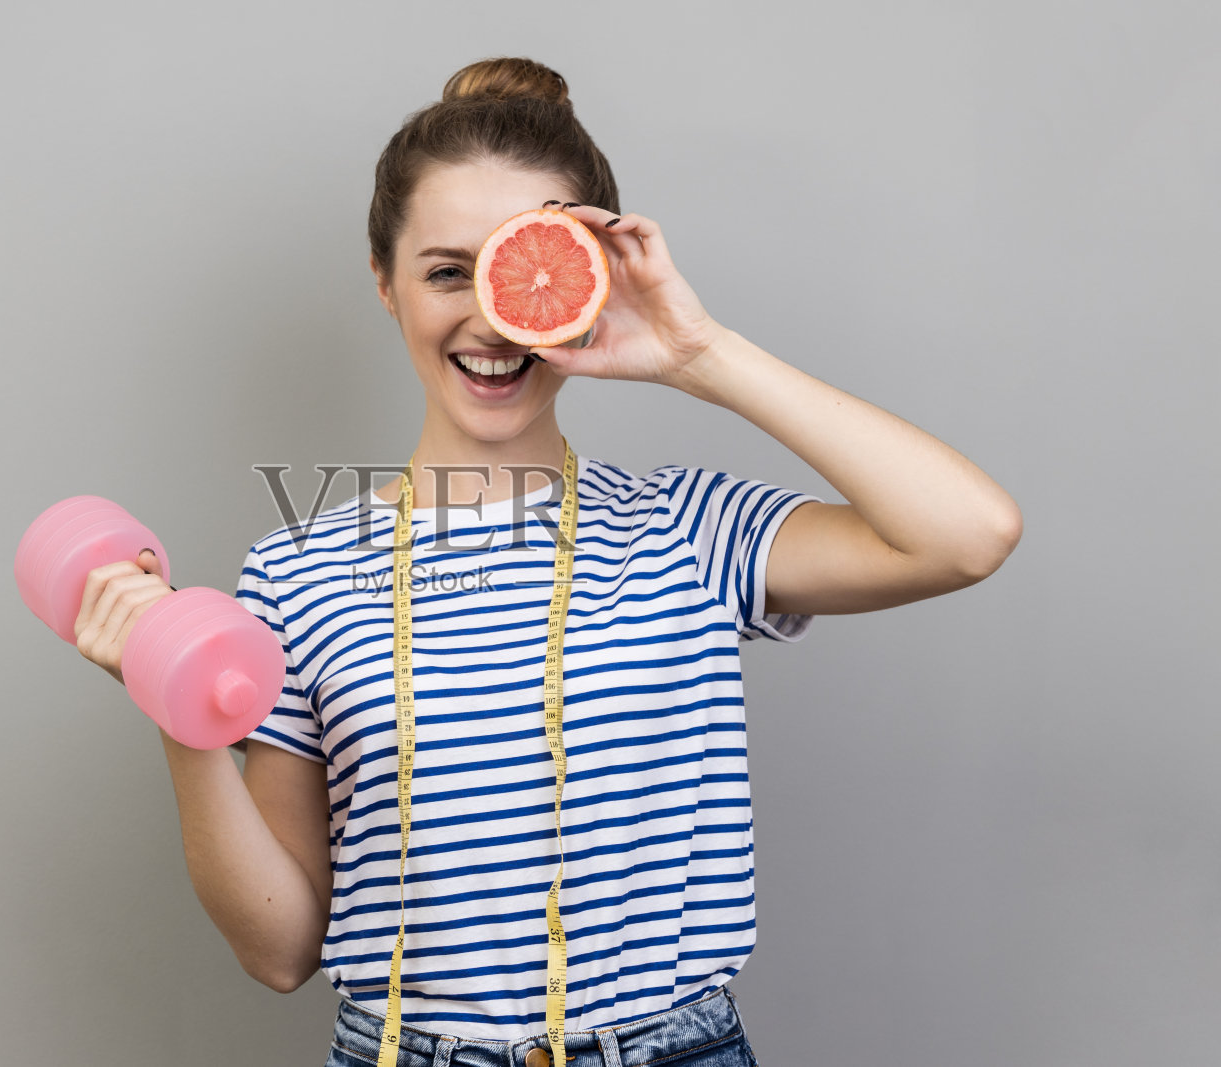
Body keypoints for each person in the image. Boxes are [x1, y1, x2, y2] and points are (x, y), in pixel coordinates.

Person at [73, 56, 1022, 1067]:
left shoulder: (688, 527)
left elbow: (969, 533)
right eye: (447, 272)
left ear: (590, 281)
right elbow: (278, 951)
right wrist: (177, 707)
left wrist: (699, 352)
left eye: (519, 272)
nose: (489, 319)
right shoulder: (294, 572)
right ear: (385, 283)